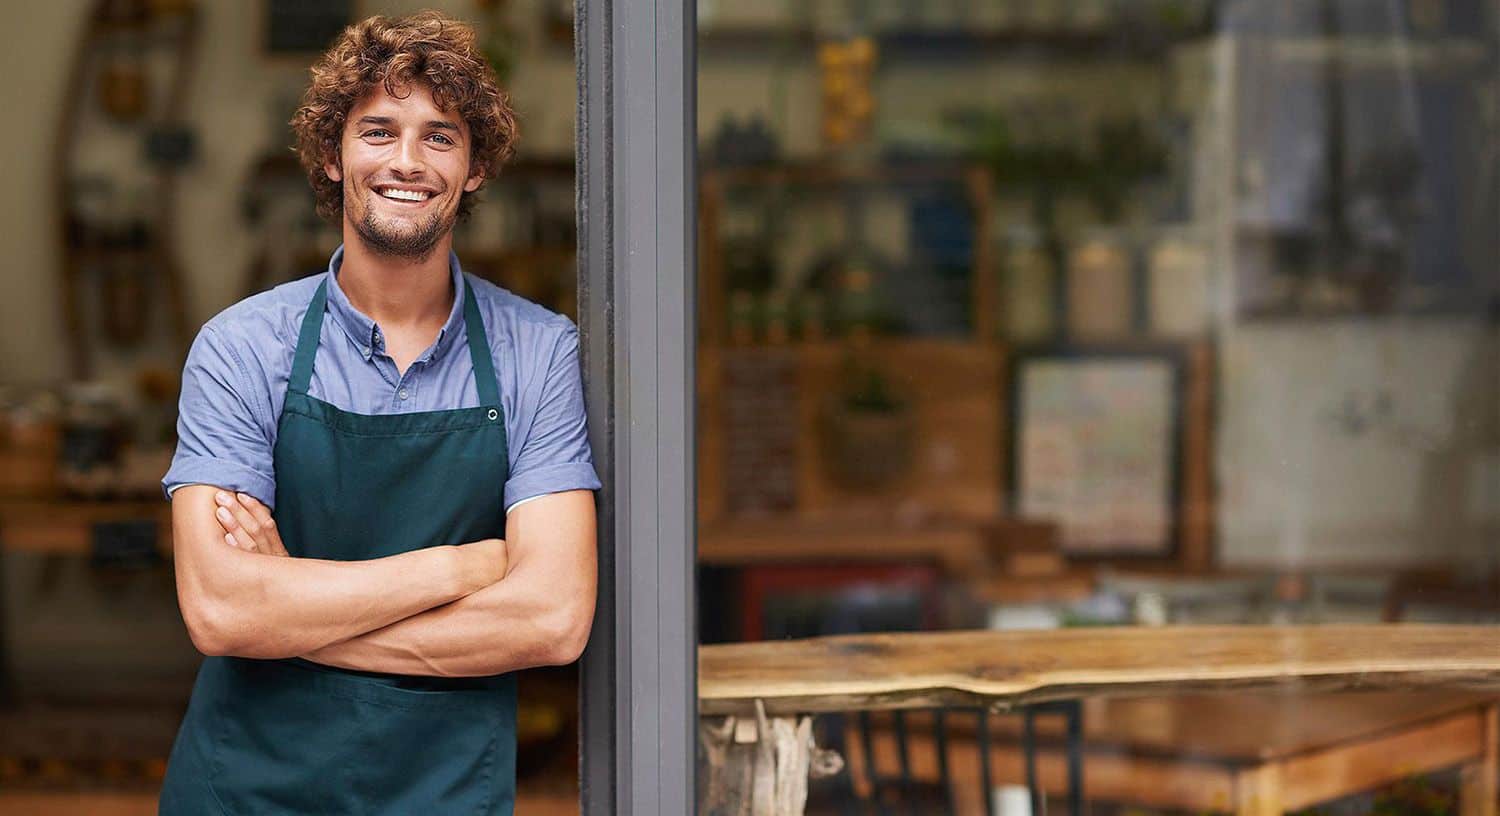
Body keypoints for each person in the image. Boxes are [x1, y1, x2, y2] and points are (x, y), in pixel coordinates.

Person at [156, 12, 599, 815]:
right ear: (333, 155)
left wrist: (290, 612)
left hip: (446, 790)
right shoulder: (241, 349)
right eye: (378, 130)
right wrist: (459, 569)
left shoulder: (540, 353)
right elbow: (220, 610)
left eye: (440, 136)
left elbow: (553, 619)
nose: (407, 161)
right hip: (247, 787)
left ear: (473, 169)